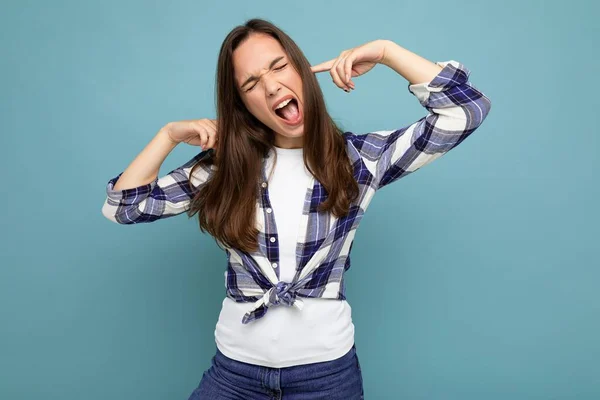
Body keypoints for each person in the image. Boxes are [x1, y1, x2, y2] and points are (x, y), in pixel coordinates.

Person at [101, 17, 491, 400]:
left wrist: (386, 51)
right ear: (242, 103)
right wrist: (168, 135)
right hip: (234, 375)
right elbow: (124, 206)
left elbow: (465, 111)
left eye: (279, 66)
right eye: (251, 83)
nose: (271, 86)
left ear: (303, 70)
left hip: (326, 378)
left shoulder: (360, 160)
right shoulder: (222, 168)